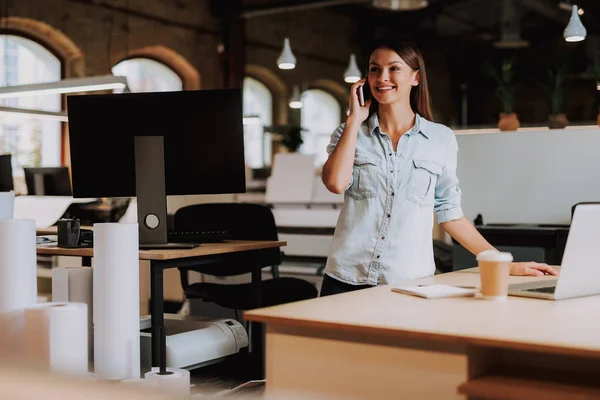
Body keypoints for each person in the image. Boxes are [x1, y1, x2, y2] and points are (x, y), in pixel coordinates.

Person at [320, 36, 557, 297]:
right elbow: (335, 183)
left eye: (394, 68)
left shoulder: (440, 139)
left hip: (408, 282)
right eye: (374, 69)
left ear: (416, 78)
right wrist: (354, 120)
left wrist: (505, 264)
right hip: (345, 278)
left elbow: (450, 213)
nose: (382, 77)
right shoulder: (349, 132)